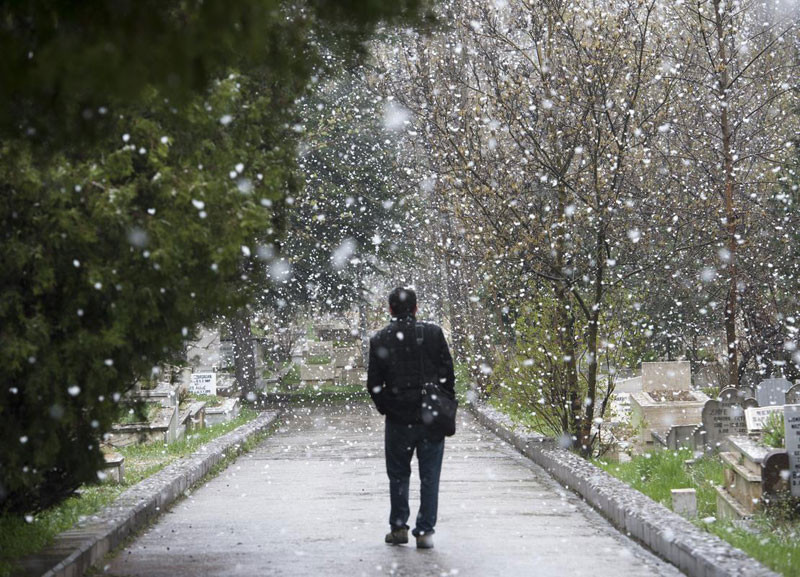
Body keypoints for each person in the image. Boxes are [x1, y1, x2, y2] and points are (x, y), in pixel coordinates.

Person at [366, 286, 456, 549]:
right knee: (430, 476)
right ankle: (425, 531)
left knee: (398, 475)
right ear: (416, 308)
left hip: (398, 420)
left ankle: (398, 527)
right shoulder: (433, 333)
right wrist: (441, 400)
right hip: (431, 417)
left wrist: (388, 407)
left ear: (390, 309)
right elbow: (448, 374)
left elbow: (374, 384)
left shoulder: (380, 339)